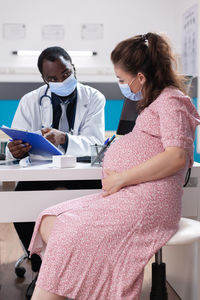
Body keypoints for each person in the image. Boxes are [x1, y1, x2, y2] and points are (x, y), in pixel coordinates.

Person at [29, 33, 200, 300]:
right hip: (129, 195)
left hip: (148, 202)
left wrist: (122, 178)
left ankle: (64, 290)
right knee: (50, 220)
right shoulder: (156, 101)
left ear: (140, 77)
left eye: (121, 79)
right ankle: (85, 284)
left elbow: (177, 156)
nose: (120, 84)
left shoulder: (173, 101)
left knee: (67, 234)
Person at [5, 46, 105, 296]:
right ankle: (41, 271)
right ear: (43, 79)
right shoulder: (30, 100)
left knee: (97, 206)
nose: (61, 81)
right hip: (41, 172)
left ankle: (85, 270)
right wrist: (16, 150)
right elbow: (15, 142)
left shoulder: (94, 98)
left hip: (81, 172)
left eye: (65, 73)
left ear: (74, 69)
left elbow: (95, 143)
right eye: (52, 78)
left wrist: (64, 139)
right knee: (22, 204)